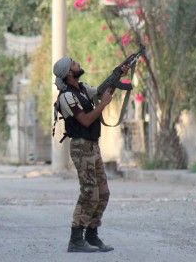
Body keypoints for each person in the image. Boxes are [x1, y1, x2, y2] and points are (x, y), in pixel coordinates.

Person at [52, 57, 130, 253]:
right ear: (69, 73)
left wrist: (118, 74)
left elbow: (103, 91)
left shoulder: (83, 88)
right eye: (74, 64)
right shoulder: (66, 97)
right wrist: (103, 104)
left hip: (92, 147)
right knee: (89, 193)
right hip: (81, 148)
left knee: (103, 193)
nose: (78, 65)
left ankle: (92, 236)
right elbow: (85, 121)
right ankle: (76, 239)